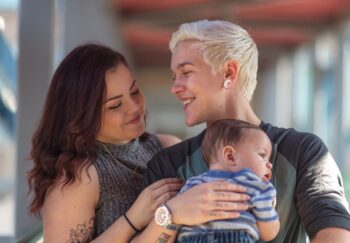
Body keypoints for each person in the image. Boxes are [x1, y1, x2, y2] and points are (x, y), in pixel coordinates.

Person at [133, 20, 350, 243]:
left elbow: (336, 234)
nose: (175, 88)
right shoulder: (168, 164)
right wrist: (170, 214)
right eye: (173, 76)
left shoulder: (302, 151)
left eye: (186, 72)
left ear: (228, 72)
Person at [27, 43, 183, 242]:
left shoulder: (167, 146)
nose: (134, 107)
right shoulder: (79, 178)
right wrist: (131, 220)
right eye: (115, 105)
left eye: (134, 91)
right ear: (83, 116)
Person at [176, 119, 279, 243]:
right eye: (262, 155)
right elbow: (268, 234)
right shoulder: (256, 186)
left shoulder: (192, 184)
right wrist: (267, 206)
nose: (269, 165)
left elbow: (177, 219)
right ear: (230, 156)